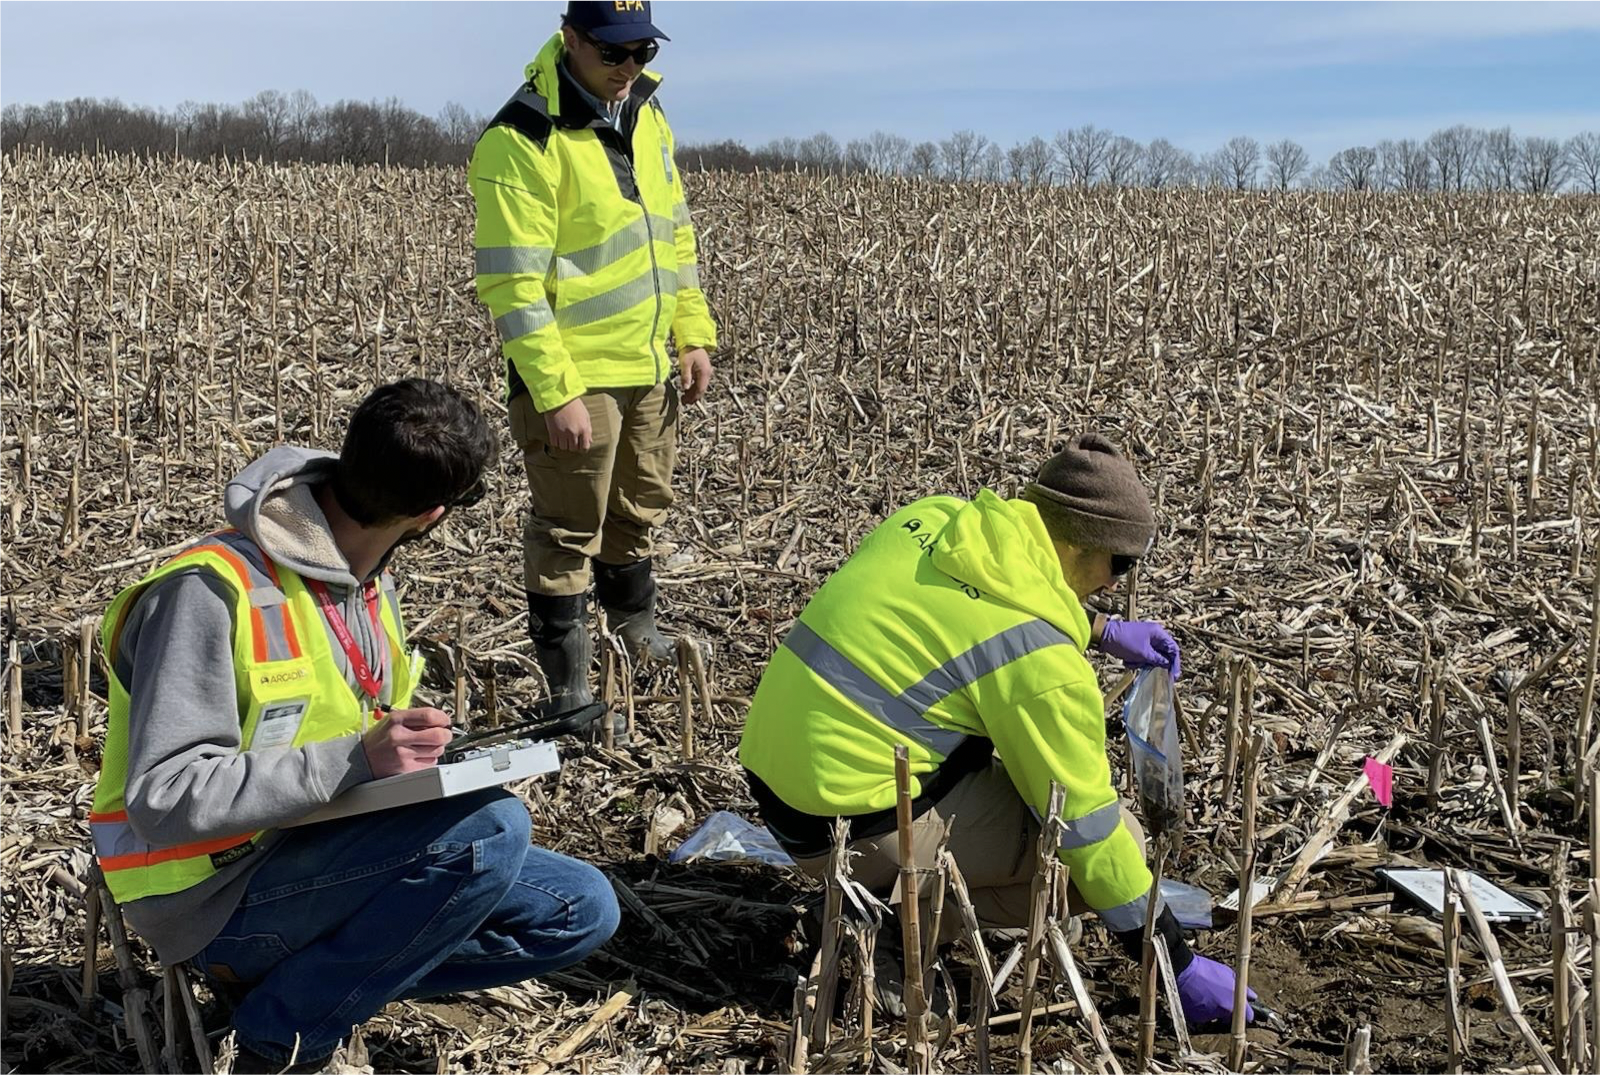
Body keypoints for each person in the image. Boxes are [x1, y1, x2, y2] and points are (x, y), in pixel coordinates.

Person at [90, 379, 620, 1074]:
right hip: (208, 897)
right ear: (432, 516)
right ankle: (279, 1040)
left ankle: (301, 986)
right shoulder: (206, 593)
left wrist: (419, 757)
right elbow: (165, 797)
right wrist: (353, 760)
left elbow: (351, 725)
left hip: (319, 842)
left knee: (581, 908)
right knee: (493, 832)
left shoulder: (365, 579)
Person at [739, 432, 1255, 1025]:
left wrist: (1099, 629)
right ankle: (878, 929)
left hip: (778, 777)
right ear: (1086, 545)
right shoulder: (1039, 662)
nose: (1116, 582)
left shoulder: (931, 519)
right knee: (1115, 851)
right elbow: (1087, 832)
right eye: (1121, 563)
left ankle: (866, 897)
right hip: (851, 824)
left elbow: (974, 601)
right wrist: (1174, 964)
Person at [469, 0, 718, 718]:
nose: (629, 67)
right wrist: (553, 391)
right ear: (569, 38)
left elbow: (675, 234)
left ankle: (634, 631)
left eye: (640, 50)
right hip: (574, 377)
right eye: (612, 53)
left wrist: (691, 333)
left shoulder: (646, 114)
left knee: (638, 508)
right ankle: (569, 688)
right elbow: (511, 285)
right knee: (568, 527)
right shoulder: (521, 138)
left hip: (649, 367)